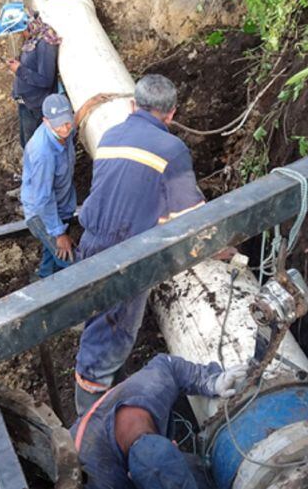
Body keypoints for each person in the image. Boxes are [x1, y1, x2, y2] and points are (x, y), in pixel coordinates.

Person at [72, 74, 206, 415]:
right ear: (172, 113)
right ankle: (92, 417)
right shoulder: (173, 150)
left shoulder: (112, 135)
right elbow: (189, 218)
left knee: (98, 318)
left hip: (90, 243)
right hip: (127, 256)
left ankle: (103, 384)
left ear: (133, 105)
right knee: (110, 341)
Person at [71, 354, 248, 489]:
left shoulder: (151, 389)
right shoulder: (98, 477)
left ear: (174, 444)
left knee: (197, 473)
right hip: (90, 459)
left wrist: (210, 381)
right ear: (130, 478)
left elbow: (170, 366)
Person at [20, 94, 77, 280]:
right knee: (71, 261)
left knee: (52, 253)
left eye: (67, 122)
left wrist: (90, 104)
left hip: (61, 205)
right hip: (42, 214)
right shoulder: (43, 153)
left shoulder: (64, 130)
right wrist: (59, 233)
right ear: (46, 121)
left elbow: (74, 124)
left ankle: (44, 277)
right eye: (59, 124)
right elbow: (43, 199)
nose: (65, 128)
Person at [10, 15, 63, 147]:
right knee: (25, 139)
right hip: (25, 101)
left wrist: (19, 70)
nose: (21, 34)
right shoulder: (33, 39)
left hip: (35, 105)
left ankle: (33, 164)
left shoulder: (45, 45)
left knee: (33, 143)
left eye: (21, 30)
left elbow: (46, 80)